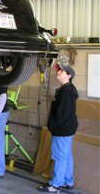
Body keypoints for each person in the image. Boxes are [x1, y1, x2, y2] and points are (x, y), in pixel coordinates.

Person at [38, 63, 78, 193]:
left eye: (62, 71)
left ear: (69, 75)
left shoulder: (66, 91)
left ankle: (55, 185)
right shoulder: (67, 89)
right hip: (67, 128)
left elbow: (62, 114)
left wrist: (53, 127)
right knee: (66, 156)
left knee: (60, 157)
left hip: (62, 130)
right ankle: (68, 181)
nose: (58, 72)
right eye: (59, 70)